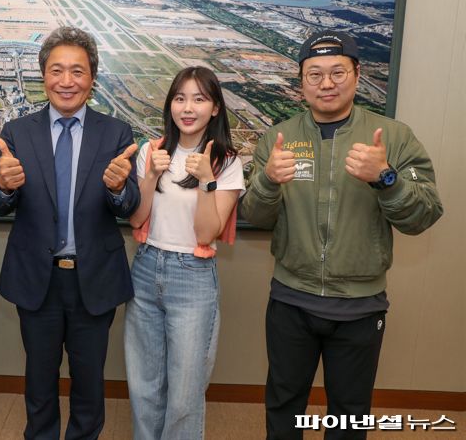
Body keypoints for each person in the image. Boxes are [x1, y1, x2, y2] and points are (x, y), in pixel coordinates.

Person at [240, 30, 443, 440]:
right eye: (314, 75)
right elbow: (256, 216)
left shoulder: (394, 138)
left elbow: (424, 215)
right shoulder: (277, 138)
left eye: (337, 72)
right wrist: (267, 182)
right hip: (290, 300)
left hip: (360, 308)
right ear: (301, 83)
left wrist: (386, 179)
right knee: (283, 403)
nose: (326, 83)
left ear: (356, 74)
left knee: (350, 414)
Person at [0, 26, 140, 440]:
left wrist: (117, 188)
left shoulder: (116, 134)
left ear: (92, 78)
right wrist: (3, 185)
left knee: (89, 386)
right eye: (57, 70)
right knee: (39, 382)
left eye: (78, 71)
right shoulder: (17, 132)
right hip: (37, 278)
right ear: (43, 75)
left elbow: (127, 207)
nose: (67, 81)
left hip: (94, 278)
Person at [125, 66, 244, 439]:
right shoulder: (152, 150)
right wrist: (148, 176)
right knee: (145, 388)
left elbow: (207, 232)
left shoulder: (227, 162)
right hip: (145, 270)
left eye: (199, 98)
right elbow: (136, 219)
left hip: (192, 277)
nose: (187, 107)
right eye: (180, 98)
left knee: (184, 395)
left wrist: (208, 181)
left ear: (215, 108)